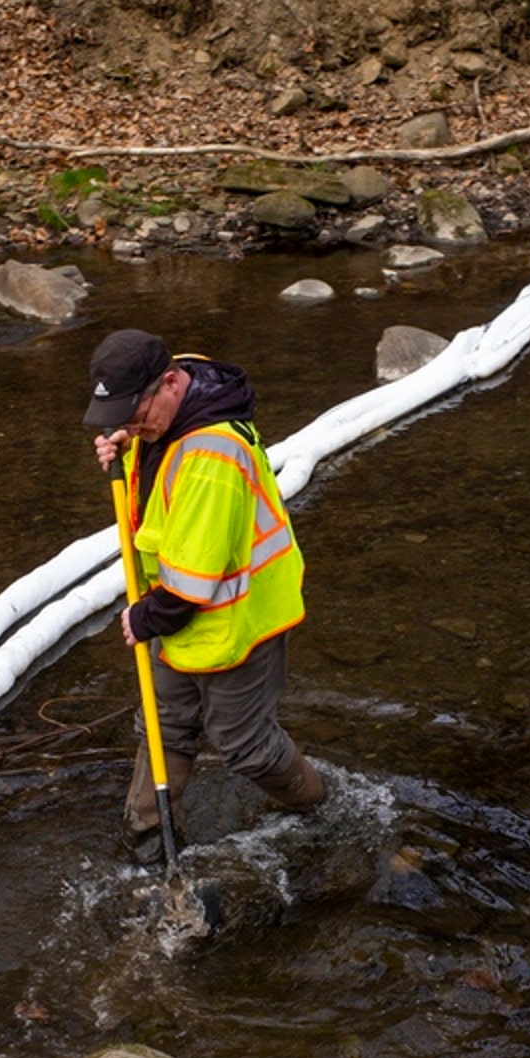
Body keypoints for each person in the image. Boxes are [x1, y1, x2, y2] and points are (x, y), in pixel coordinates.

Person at [83, 328, 327, 863]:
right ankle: (149, 845)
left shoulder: (213, 456)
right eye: (117, 416)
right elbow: (157, 463)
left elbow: (192, 582)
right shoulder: (174, 397)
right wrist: (128, 443)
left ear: (170, 382)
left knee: (244, 746)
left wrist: (146, 617)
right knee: (163, 725)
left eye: (134, 413)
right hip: (176, 612)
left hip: (238, 618)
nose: (129, 425)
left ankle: (321, 810)